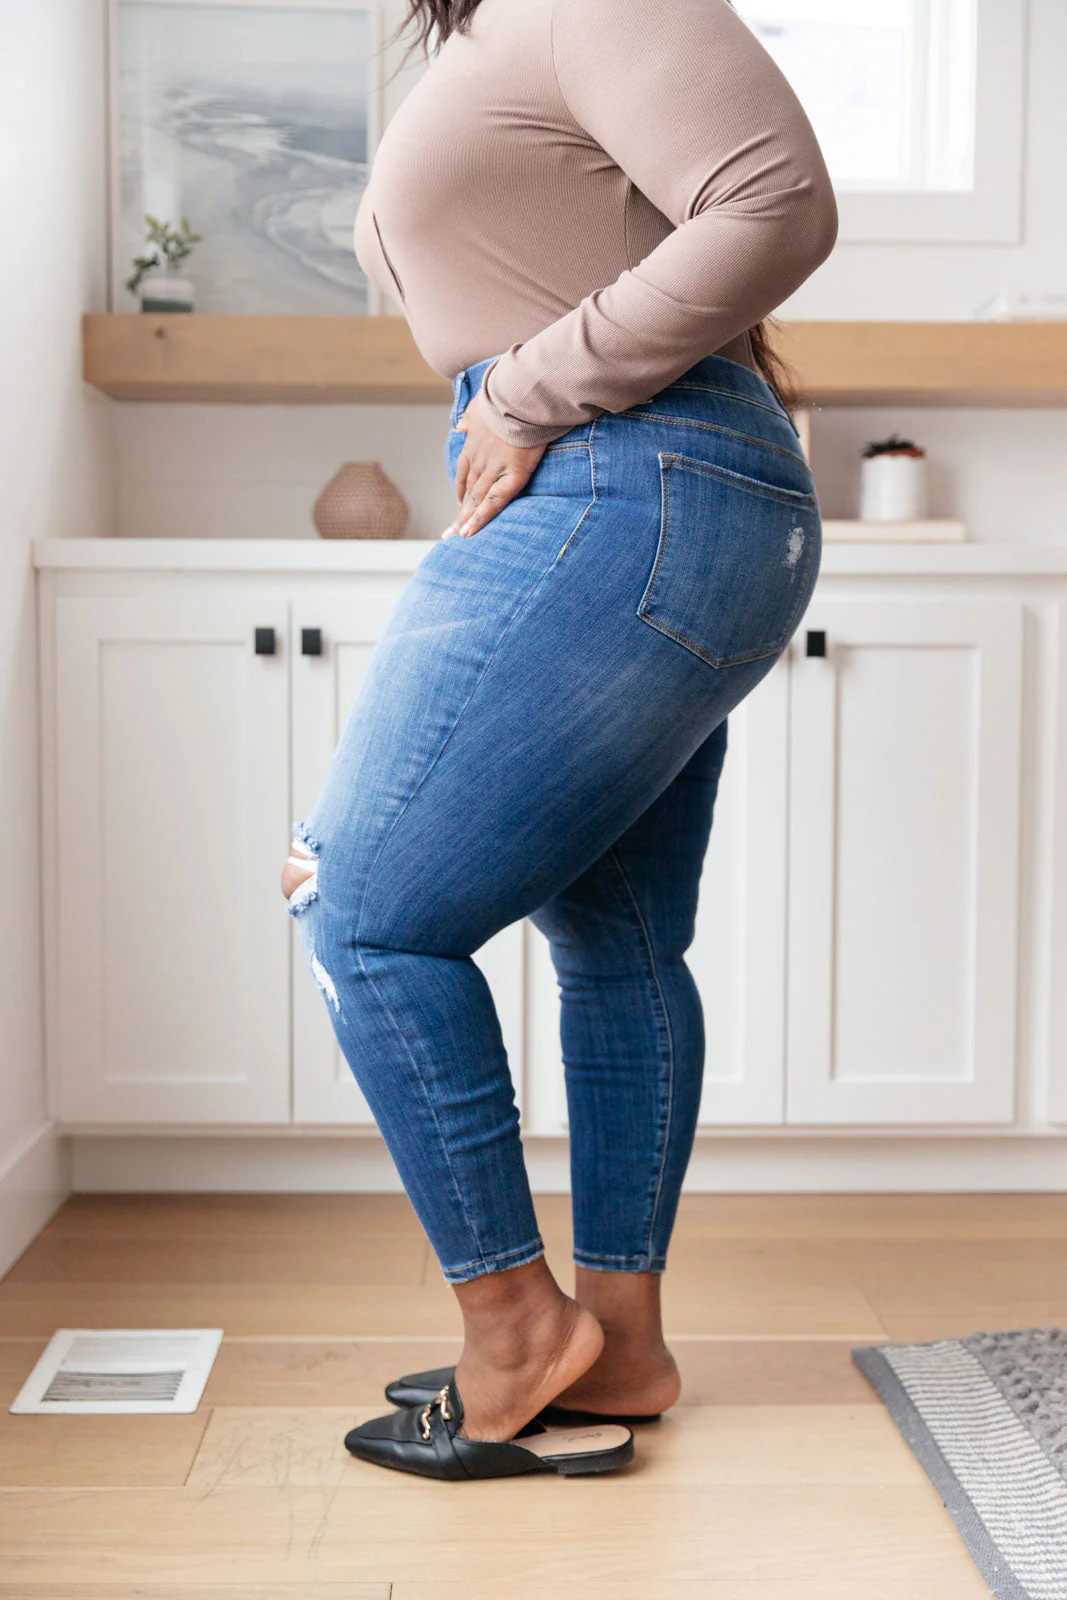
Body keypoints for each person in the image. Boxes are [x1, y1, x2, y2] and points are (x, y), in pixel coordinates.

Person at [281, 0, 837, 1481]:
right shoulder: (496, 33)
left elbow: (775, 201)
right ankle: (620, 1342)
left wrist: (526, 391)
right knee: (620, 946)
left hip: (619, 474)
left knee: (360, 914)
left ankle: (520, 1331)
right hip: (658, 489)